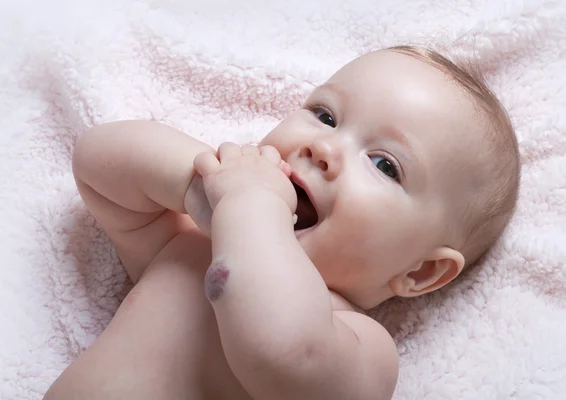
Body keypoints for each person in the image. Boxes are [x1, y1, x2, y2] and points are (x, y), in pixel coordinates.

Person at [44, 45, 520, 400]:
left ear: (420, 272)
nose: (324, 147)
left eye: (385, 164)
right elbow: (98, 164)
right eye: (325, 115)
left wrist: (252, 210)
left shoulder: (356, 344)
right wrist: (198, 186)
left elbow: (279, 352)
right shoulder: (193, 245)